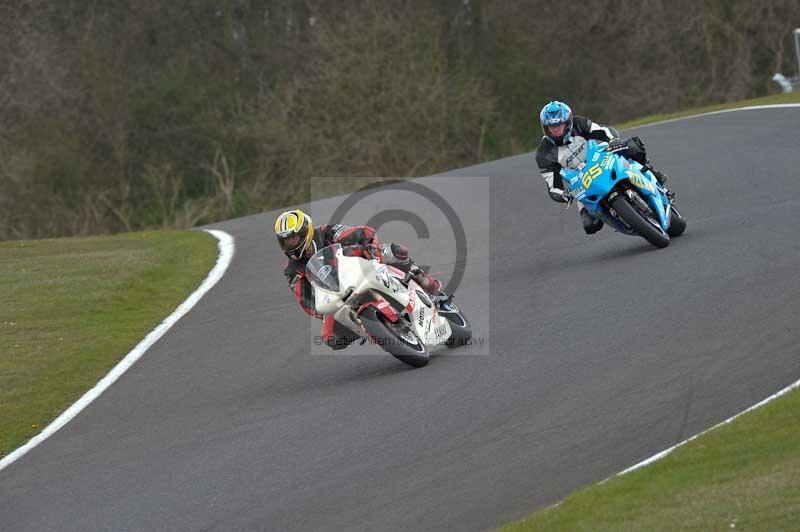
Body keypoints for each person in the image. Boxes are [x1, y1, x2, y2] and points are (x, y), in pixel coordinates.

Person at [275, 209, 442, 350]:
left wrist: (371, 246)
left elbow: (363, 232)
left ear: (305, 232)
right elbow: (304, 299)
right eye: (285, 241)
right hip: (338, 295)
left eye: (293, 238)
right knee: (330, 338)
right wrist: (323, 310)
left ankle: (429, 285)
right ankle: (369, 327)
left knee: (397, 251)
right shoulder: (291, 270)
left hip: (363, 265)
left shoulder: (327, 232)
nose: (289, 244)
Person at [535, 100, 671, 234]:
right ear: (545, 128)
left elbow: (602, 131)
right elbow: (553, 186)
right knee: (590, 226)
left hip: (601, 159)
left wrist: (613, 140)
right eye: (551, 127)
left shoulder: (578, 124)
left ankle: (651, 171)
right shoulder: (544, 152)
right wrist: (564, 195)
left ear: (567, 122)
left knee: (633, 146)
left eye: (559, 124)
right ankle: (622, 217)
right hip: (582, 184)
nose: (556, 129)